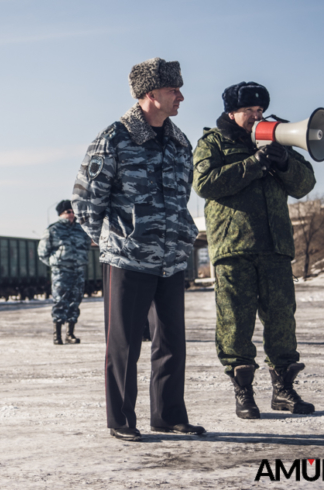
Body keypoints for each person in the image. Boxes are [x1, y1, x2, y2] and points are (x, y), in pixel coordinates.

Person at [72, 57, 205, 442]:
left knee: (170, 340)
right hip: (128, 257)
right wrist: (110, 240)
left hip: (171, 257)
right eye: (172, 89)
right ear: (150, 94)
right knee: (125, 343)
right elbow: (85, 199)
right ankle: (121, 420)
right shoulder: (115, 137)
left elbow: (181, 198)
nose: (181, 96)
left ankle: (168, 415)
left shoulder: (180, 141)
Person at [193, 81, 316, 419]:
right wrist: (254, 164)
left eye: (260, 110)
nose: (257, 116)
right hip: (234, 248)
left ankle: (283, 390)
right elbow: (205, 184)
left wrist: (285, 164)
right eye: (250, 111)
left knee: (281, 320)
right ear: (232, 112)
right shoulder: (213, 143)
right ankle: (243, 392)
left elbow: (306, 183)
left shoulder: (276, 136)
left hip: (275, 247)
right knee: (235, 321)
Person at [38, 200, 92, 345]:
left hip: (78, 271)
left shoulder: (81, 230)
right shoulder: (53, 230)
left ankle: (70, 334)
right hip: (61, 272)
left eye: (73, 211)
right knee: (60, 301)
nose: (71, 214)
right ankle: (57, 335)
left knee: (75, 301)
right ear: (61, 214)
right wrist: (56, 264)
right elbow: (42, 252)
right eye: (68, 211)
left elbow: (87, 247)